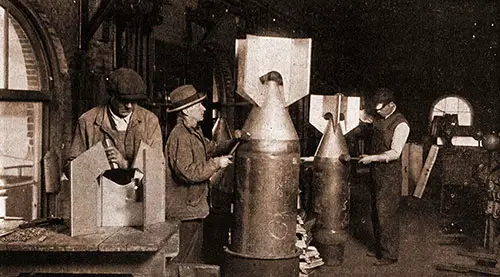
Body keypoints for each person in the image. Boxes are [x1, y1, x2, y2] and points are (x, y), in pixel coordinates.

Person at [165, 84, 245, 263]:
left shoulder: (194, 132)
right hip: (184, 212)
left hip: (194, 209)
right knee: (182, 261)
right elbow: (187, 172)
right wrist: (216, 163)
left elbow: (212, 147)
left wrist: (234, 140)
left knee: (191, 259)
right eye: (198, 106)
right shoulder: (180, 137)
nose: (203, 108)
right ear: (186, 111)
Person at [66, 67, 162, 174]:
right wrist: (96, 161)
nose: (129, 106)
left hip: (137, 189)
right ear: (112, 95)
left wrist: (125, 164)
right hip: (100, 189)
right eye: (123, 100)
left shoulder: (150, 121)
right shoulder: (88, 121)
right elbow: (71, 169)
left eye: (134, 101)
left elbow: (157, 167)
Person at [358, 88, 410, 266]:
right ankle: (380, 249)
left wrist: (371, 158)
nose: (378, 112)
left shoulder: (401, 124)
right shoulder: (380, 118)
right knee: (375, 211)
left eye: (381, 109)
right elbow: (364, 116)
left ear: (391, 105)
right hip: (376, 172)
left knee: (386, 213)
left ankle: (390, 254)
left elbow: (395, 153)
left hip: (389, 174)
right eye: (377, 109)